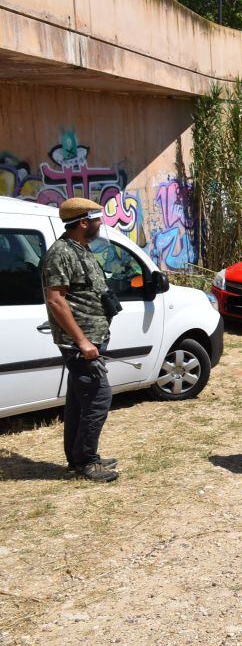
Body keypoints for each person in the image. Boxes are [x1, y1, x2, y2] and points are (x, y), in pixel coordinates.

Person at [42, 198, 119, 483]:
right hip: (80, 344)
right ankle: (87, 461)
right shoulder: (60, 253)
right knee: (100, 398)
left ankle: (77, 459)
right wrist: (83, 342)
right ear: (83, 222)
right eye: (97, 219)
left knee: (78, 401)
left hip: (93, 339)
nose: (101, 224)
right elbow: (56, 300)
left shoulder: (81, 249)